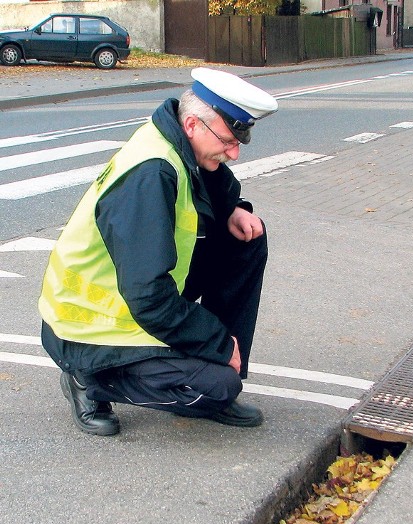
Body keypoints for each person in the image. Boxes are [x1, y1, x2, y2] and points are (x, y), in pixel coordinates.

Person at [38, 68, 278, 436]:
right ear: (194, 124)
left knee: (246, 239)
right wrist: (214, 341)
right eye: (229, 140)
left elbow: (210, 188)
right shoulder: (150, 176)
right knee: (215, 388)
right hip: (87, 328)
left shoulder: (179, 140)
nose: (235, 153)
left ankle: (217, 364)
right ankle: (87, 380)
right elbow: (148, 297)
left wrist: (233, 208)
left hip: (133, 301)